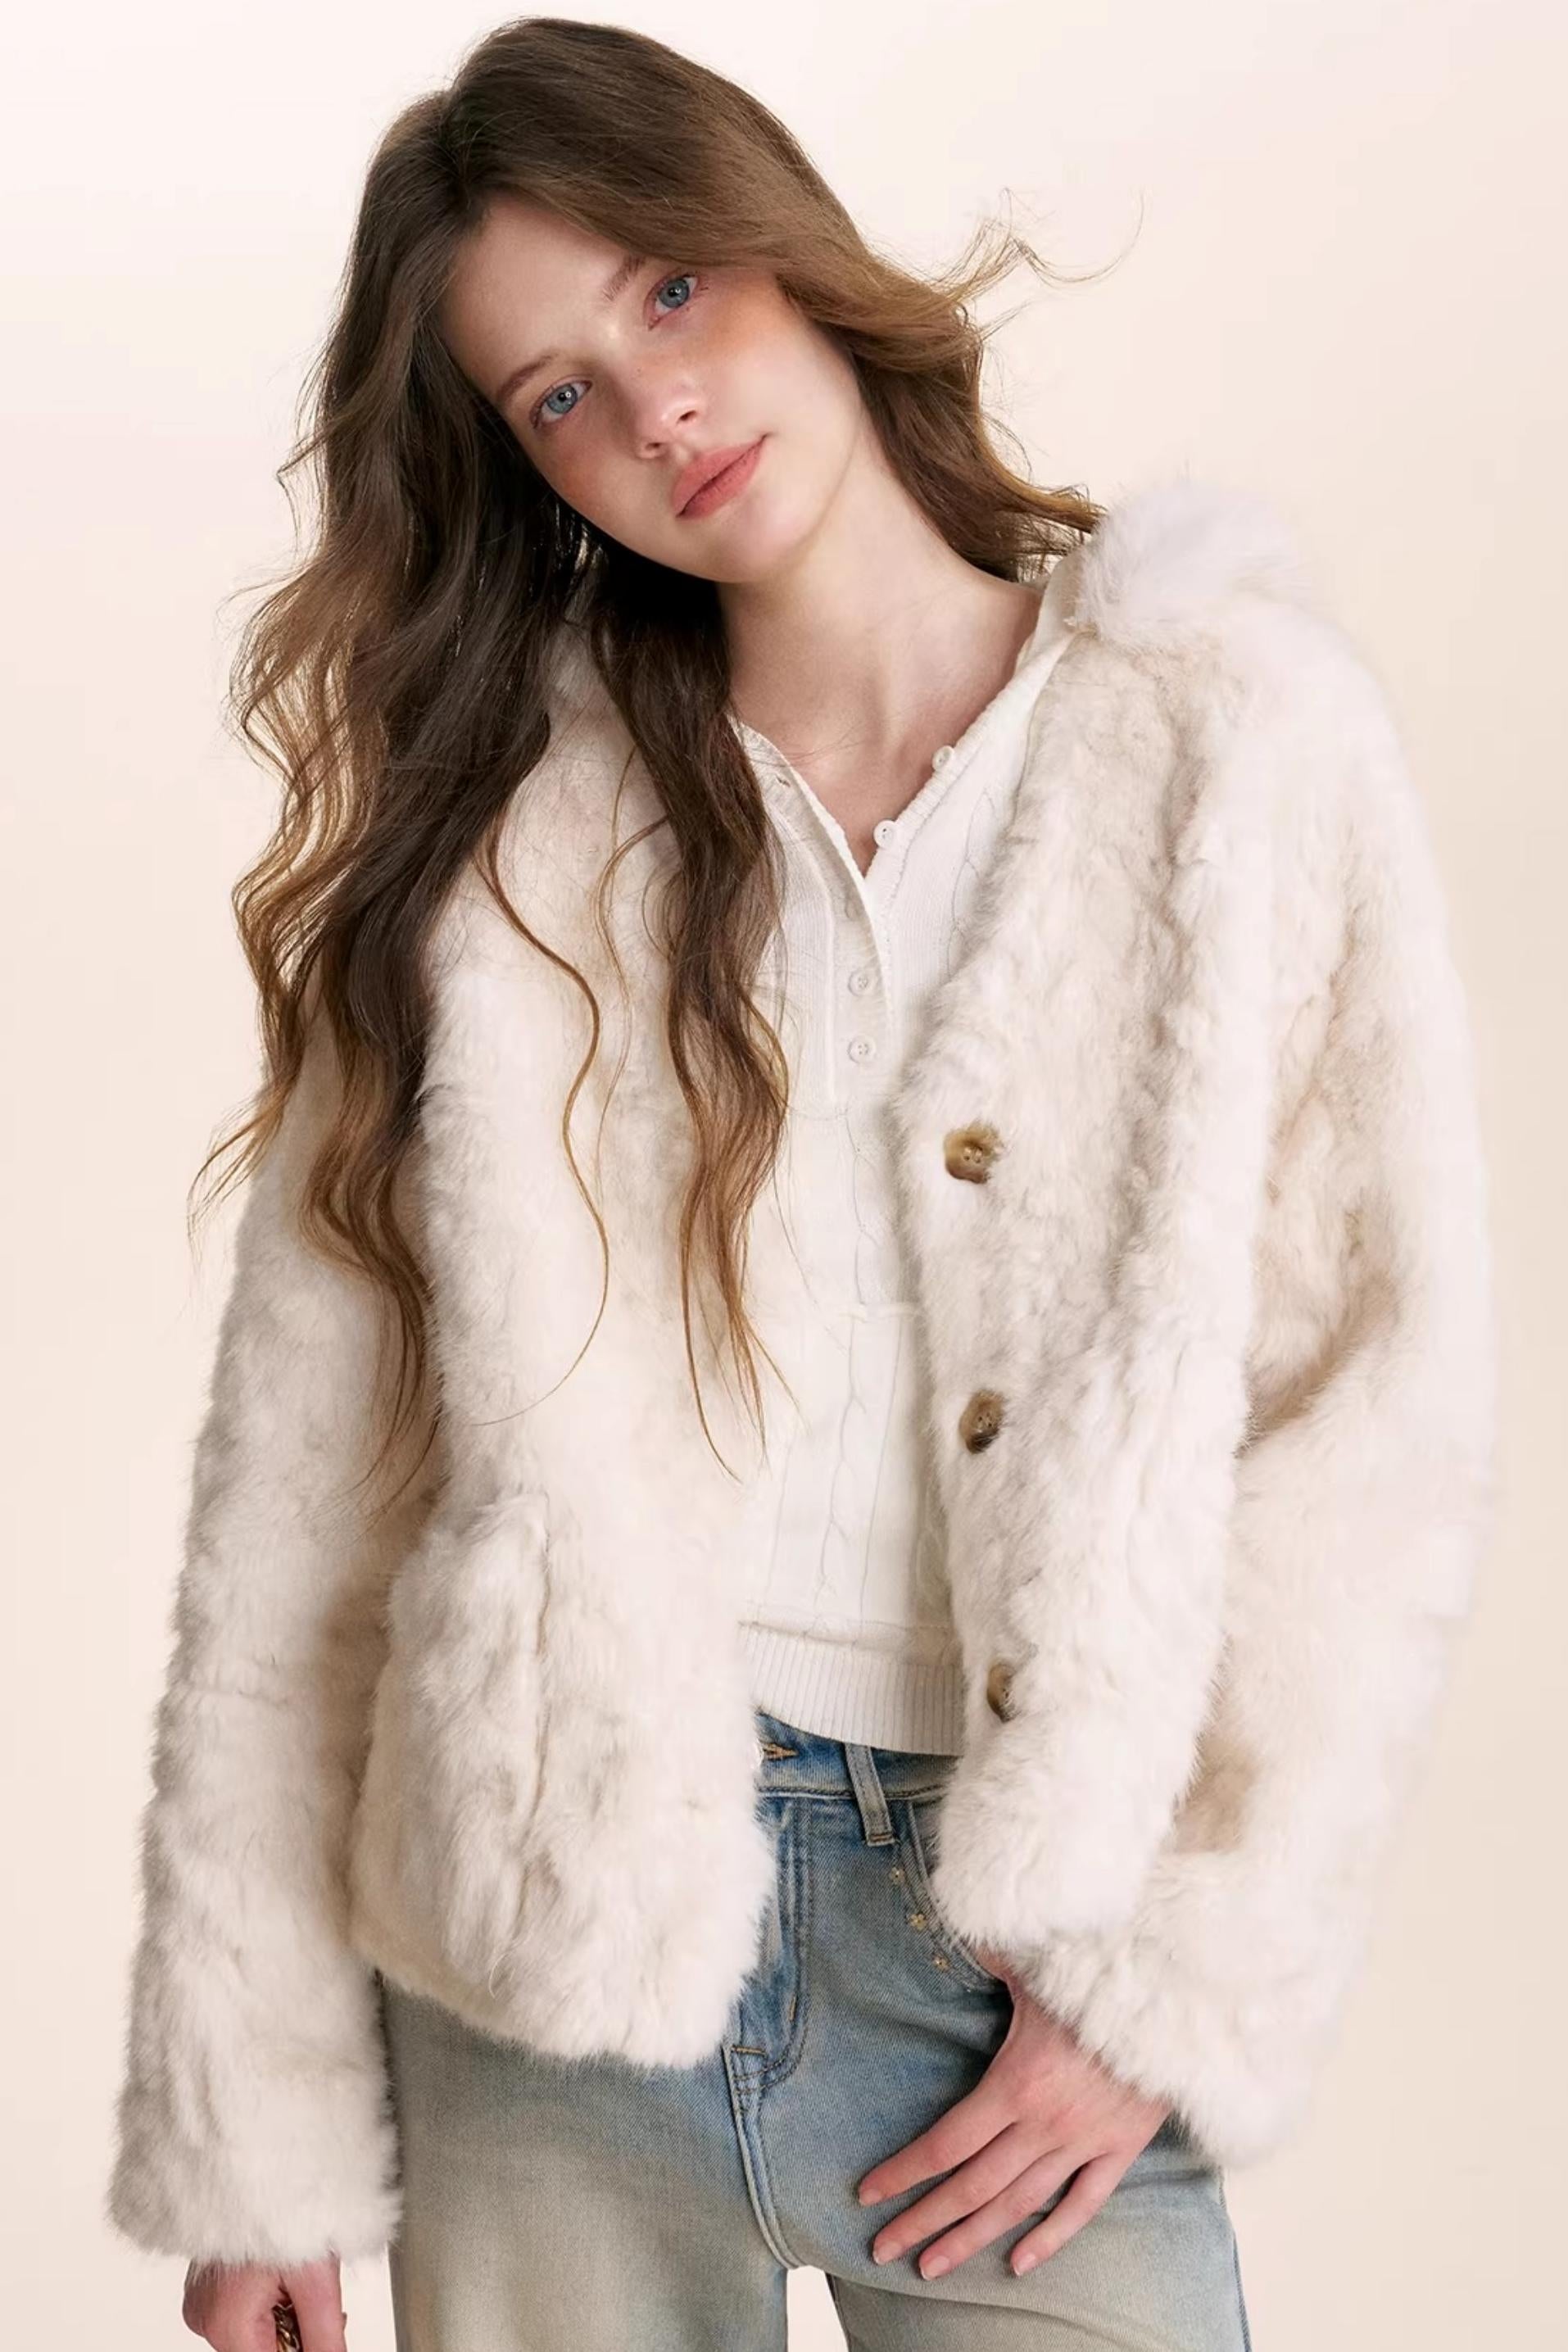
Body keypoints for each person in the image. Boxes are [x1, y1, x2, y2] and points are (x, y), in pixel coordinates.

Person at [104, 18, 1498, 2352]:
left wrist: (1164, 1975)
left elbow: (1373, 1408)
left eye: (668, 289)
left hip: (1007, 1965)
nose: (653, 409)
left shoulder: (1229, 740)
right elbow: (308, 1492)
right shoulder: (501, 844)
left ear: (782, 241)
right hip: (543, 1979)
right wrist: (256, 2139)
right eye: (556, 393)